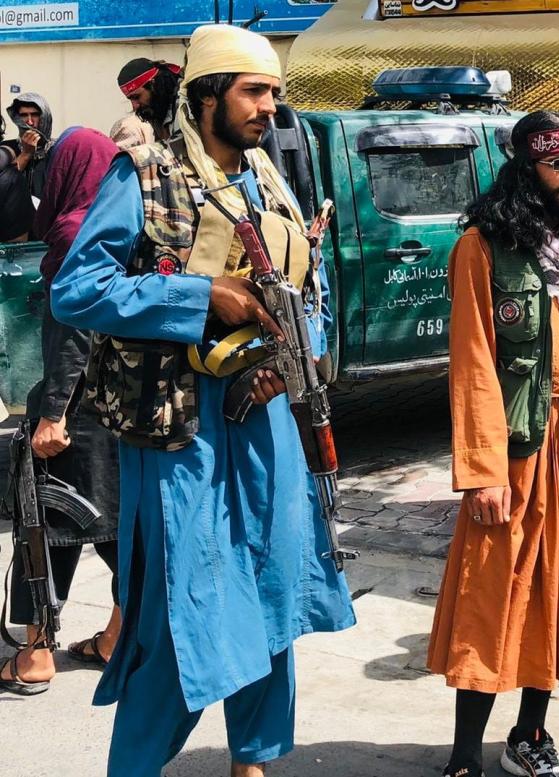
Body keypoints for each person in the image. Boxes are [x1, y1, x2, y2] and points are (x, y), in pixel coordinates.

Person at [50, 24, 355, 777]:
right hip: (182, 430)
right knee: (188, 609)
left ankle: (250, 761)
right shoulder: (144, 174)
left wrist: (291, 359)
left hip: (267, 423)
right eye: (255, 92)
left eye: (275, 93)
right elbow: (78, 289)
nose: (269, 108)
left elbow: (305, 286)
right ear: (207, 94)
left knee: (274, 591)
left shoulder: (270, 176)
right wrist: (199, 296)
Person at [426, 110, 559, 777]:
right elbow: (473, 362)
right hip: (519, 448)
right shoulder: (481, 247)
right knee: (495, 595)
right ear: (525, 170)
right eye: (558, 164)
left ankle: (530, 735)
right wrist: (483, 470)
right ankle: (464, 756)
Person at [0, 127, 123, 696]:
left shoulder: (76, 233)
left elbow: (73, 331)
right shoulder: (123, 226)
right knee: (117, 527)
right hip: (122, 406)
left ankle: (34, 653)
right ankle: (118, 636)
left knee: (45, 526)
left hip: (75, 408)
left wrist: (53, 412)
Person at [110, 58, 183, 150]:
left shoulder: (184, 102)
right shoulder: (156, 109)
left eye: (136, 97)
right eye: (130, 99)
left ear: (153, 84)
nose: (135, 106)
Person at [2, 93, 55, 198]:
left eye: (35, 114)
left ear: (45, 117)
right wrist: (25, 154)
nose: (30, 122)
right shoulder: (7, 149)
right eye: (24, 115)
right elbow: (3, 185)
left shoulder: (57, 150)